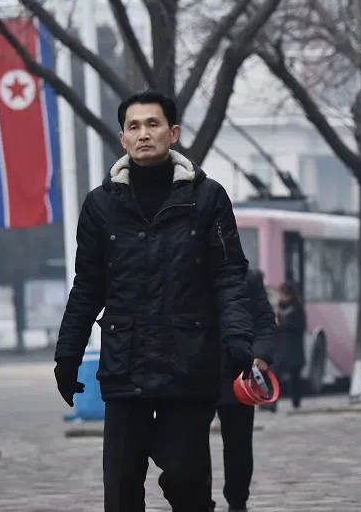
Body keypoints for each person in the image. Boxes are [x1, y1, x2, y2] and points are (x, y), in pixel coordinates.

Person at [52, 89, 255, 512]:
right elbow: (88, 286)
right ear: (123, 139)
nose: (144, 134)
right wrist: (67, 354)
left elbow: (229, 275)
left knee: (185, 478)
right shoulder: (100, 206)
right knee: (122, 488)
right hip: (126, 364)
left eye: (153, 124)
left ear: (173, 132)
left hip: (190, 363)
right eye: (134, 126)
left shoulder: (207, 198)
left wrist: (238, 337)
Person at [213, 268, 276, 512]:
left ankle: (237, 503)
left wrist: (261, 354)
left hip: (237, 375)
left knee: (238, 445)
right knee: (189, 446)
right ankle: (198, 501)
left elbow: (264, 321)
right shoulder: (184, 269)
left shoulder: (246, 277)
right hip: (194, 374)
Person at [269, 282, 307, 412]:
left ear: (289, 295)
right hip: (279, 348)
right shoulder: (277, 308)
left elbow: (301, 327)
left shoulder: (297, 308)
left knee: (294, 378)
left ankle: (296, 401)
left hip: (294, 348)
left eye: (282, 294)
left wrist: (286, 324)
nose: (280, 297)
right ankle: (273, 403)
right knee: (274, 376)